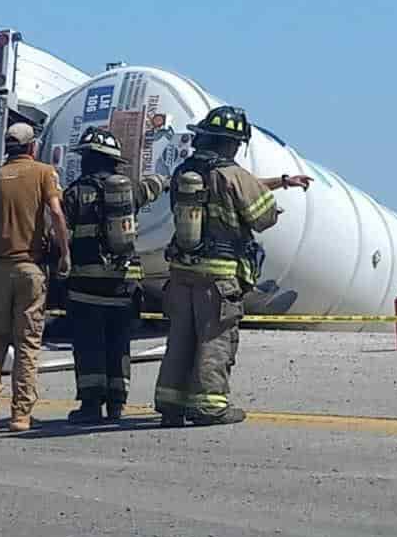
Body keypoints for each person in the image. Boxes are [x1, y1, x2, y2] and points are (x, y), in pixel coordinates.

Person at [154, 105, 310, 427]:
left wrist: (282, 182)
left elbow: (236, 186)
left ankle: (170, 406)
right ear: (231, 144)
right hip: (219, 278)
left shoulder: (184, 173)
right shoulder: (232, 174)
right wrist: (274, 204)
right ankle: (211, 407)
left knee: (180, 339)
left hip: (182, 274)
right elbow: (261, 217)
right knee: (215, 340)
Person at [61, 126, 166, 424]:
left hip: (85, 287)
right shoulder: (129, 190)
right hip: (123, 287)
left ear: (87, 160)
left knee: (89, 345)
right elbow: (152, 187)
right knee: (119, 345)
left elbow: (60, 234)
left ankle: (91, 406)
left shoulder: (74, 194)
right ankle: (117, 405)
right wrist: (165, 180)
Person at [0, 121, 69, 432]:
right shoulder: (43, 173)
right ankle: (21, 414)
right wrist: (64, 251)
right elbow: (55, 212)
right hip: (30, 268)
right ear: (32, 147)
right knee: (27, 343)